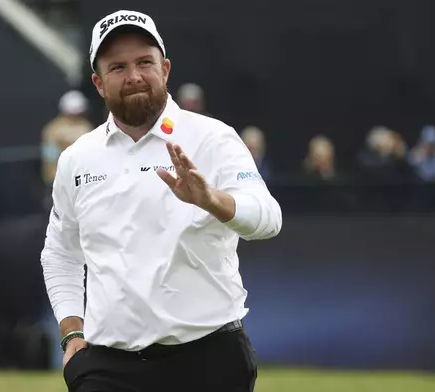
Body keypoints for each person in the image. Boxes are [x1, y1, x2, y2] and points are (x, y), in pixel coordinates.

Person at [40, 10, 282, 392]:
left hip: (207, 360)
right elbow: (59, 253)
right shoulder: (77, 158)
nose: (134, 76)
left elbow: (268, 219)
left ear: (165, 69)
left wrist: (211, 199)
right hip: (108, 366)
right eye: (117, 67)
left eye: (144, 63)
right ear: (98, 83)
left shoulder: (212, 138)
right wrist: (72, 335)